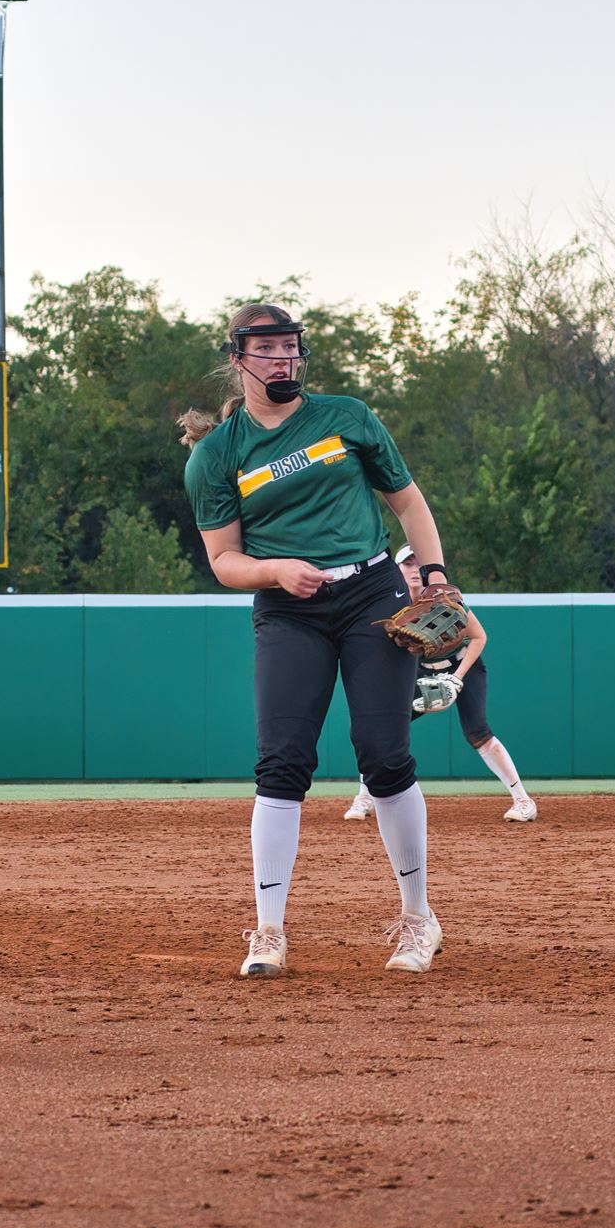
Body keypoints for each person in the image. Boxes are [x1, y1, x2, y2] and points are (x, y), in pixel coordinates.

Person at [179, 303, 454, 979]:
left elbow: (408, 503)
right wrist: (274, 570)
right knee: (283, 762)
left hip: (371, 594)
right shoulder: (218, 455)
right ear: (238, 359)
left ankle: (419, 919)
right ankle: (268, 932)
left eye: (290, 348)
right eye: (267, 350)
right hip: (288, 609)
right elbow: (224, 562)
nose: (282, 360)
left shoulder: (347, 417)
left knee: (385, 757)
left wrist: (437, 576)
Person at [343, 545, 538, 824]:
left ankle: (523, 801)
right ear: (397, 570)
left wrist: (456, 680)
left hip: (462, 666)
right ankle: (365, 796)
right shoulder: (391, 604)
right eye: (407, 564)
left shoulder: (443, 598)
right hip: (420, 669)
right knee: (377, 728)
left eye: (418, 564)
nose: (413, 570)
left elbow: (479, 637)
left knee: (478, 732)